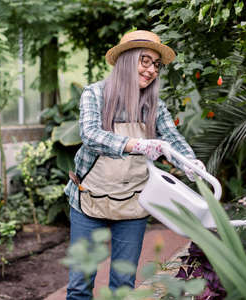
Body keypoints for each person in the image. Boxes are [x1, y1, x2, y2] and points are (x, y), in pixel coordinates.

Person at [64, 29, 205, 299]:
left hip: (133, 203)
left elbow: (172, 139)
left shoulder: (154, 105)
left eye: (156, 64)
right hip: (89, 200)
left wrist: (190, 163)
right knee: (80, 284)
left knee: (123, 283)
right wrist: (137, 145)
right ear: (127, 61)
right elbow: (90, 134)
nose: (151, 70)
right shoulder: (95, 94)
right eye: (145, 61)